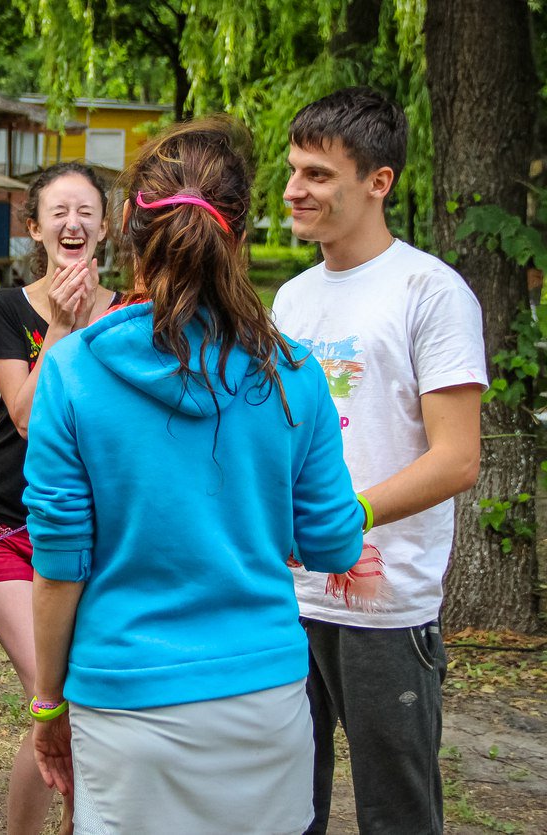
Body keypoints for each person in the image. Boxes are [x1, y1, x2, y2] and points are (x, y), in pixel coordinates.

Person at [24, 116, 367, 833]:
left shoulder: (72, 368)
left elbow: (59, 569)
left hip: (123, 702)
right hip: (263, 698)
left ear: (126, 225)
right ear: (238, 234)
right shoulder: (294, 372)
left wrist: (49, 703)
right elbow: (334, 544)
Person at [273, 87, 486, 834]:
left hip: (386, 607)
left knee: (396, 813)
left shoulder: (431, 292)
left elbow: (459, 458)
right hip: (287, 598)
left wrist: (347, 515)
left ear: (378, 181)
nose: (295, 189)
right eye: (294, 169)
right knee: (282, 805)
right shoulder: (289, 302)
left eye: (318, 175)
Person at [0, 161, 119, 834]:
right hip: (1, 526)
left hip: (92, 532)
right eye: (58, 212)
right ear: (35, 228)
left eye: (86, 211)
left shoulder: (134, 311)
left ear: (105, 226)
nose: (72, 223)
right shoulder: (8, 308)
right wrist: (59, 323)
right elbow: (26, 416)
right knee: (52, 700)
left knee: (88, 701)